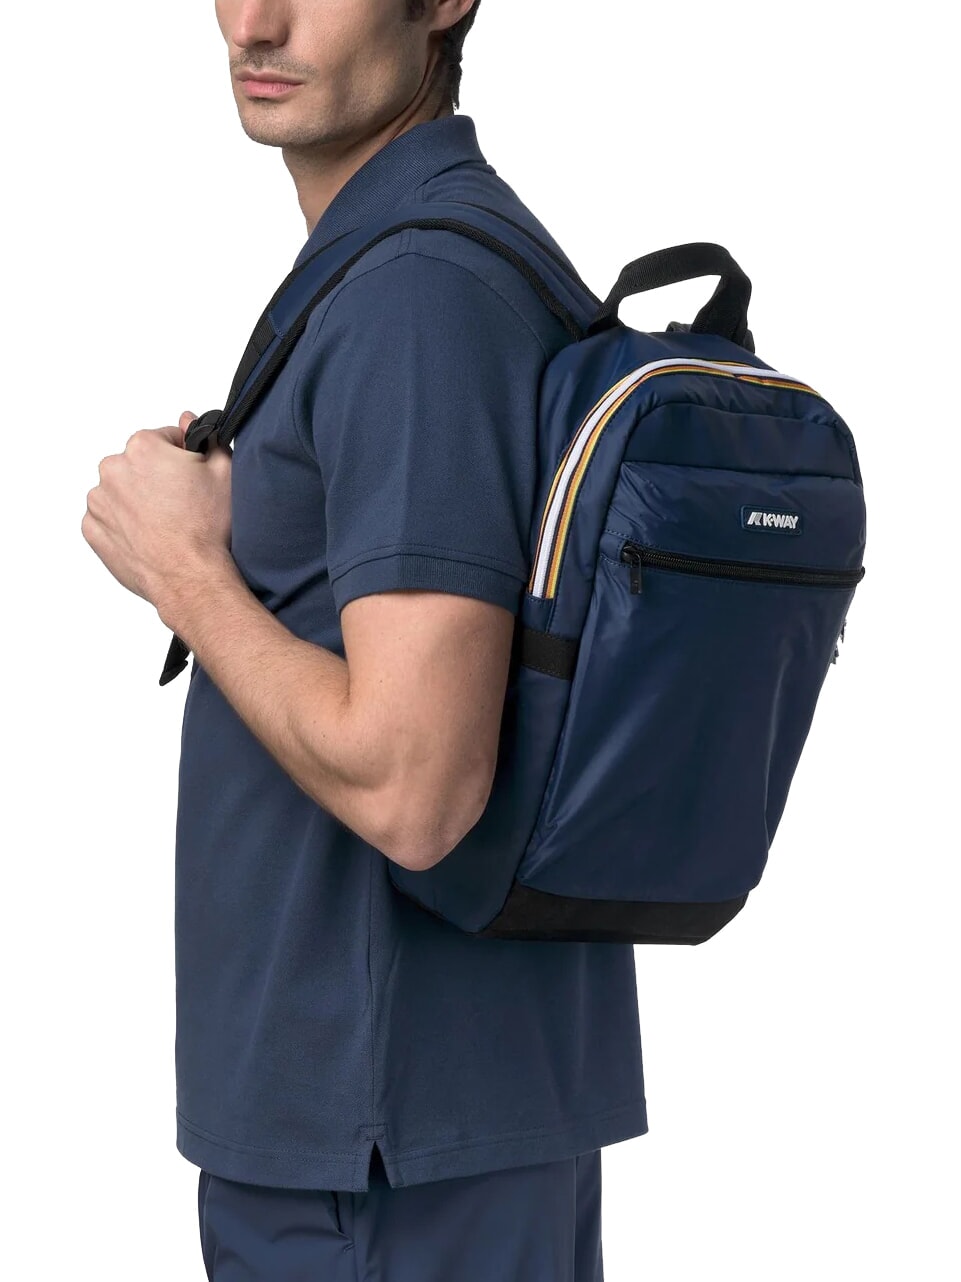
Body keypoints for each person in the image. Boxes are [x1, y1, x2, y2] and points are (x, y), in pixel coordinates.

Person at [82, 2, 648, 1277]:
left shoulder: (416, 297)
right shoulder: (406, 262)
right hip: (422, 1123)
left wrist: (186, 575)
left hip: (380, 1153)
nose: (255, 23)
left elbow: (415, 785)